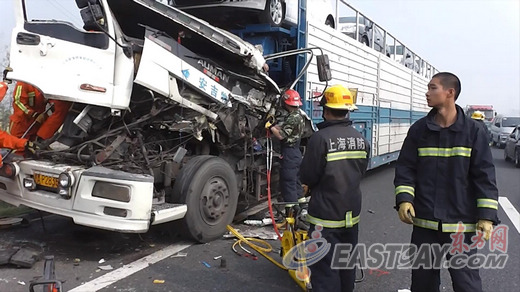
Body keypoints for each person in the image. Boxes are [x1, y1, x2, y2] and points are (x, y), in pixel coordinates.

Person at [394, 72, 499, 292]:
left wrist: (486, 216)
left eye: (433, 88)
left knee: (466, 284)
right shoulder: (419, 130)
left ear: (450, 93)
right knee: (423, 284)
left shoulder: (473, 131)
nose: (427, 92)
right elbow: (406, 168)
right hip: (425, 225)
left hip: (460, 226)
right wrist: (404, 199)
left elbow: (484, 175)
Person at [299, 84, 370, 292]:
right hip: (351, 214)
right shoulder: (361, 139)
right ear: (347, 110)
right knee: (346, 262)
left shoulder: (319, 139)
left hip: (325, 215)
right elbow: (361, 171)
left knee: (323, 267)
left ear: (325, 110)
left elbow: (308, 175)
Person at [265, 89, 305, 206]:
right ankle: (302, 208)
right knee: (296, 182)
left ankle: (291, 213)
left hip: (289, 153)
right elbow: (286, 130)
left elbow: (281, 136)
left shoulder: (292, 117)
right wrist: (275, 126)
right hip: (295, 152)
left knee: (288, 183)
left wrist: (270, 127)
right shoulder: (299, 115)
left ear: (287, 103)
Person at [0, 82, 38, 166]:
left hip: (32, 122)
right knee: (16, 154)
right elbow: (18, 101)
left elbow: (3, 138)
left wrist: (24, 143)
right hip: (20, 122)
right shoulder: (23, 83)